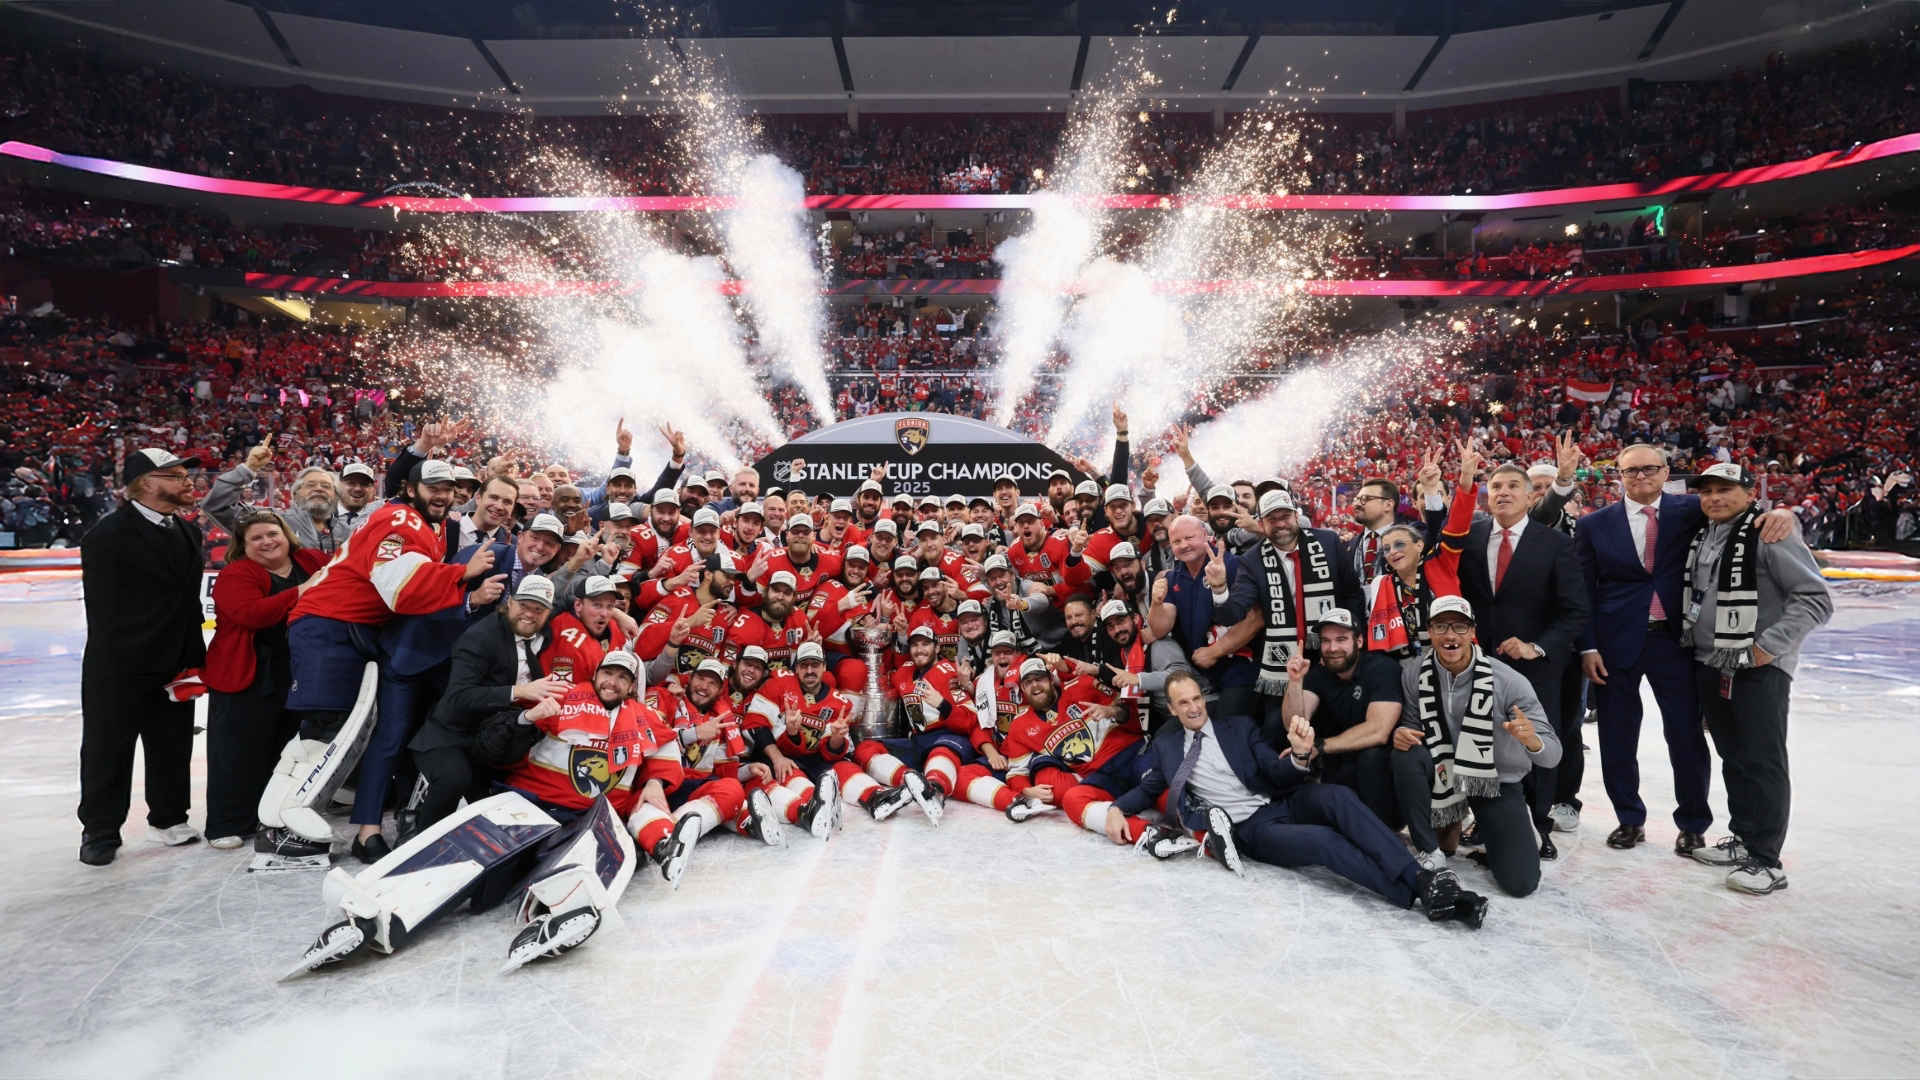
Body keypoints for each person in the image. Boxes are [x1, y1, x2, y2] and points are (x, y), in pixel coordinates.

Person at [1107, 671, 1483, 927]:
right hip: (1252, 829)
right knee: (1325, 842)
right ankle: (1427, 890)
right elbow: (1151, 787)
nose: (1193, 708)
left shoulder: (1237, 726)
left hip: (1281, 800)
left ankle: (1420, 880)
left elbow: (1274, 770)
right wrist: (1114, 807)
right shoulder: (1169, 746)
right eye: (1183, 703)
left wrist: (1301, 756)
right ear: (1171, 709)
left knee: (1337, 796)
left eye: (1196, 698)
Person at [1575, 444, 1795, 855]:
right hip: (1614, 643)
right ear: (1618, 476)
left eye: (1650, 469)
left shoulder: (1692, 509)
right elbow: (1584, 592)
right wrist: (1587, 646)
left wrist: (1783, 512)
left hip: (1676, 641)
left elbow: (1744, 509)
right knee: (1617, 736)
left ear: (1665, 472)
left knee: (1686, 735)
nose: (1641, 477)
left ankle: (1692, 822)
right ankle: (1629, 817)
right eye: (1631, 471)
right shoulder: (1593, 525)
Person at [285, 458, 499, 862]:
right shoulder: (403, 520)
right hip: (338, 627)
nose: (441, 494)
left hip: (358, 631)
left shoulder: (428, 525)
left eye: (448, 488)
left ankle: (363, 828)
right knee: (326, 733)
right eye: (431, 486)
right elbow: (399, 590)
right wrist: (462, 577)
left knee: (355, 734)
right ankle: (283, 827)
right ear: (410, 487)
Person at [1681, 463, 1833, 895]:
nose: (1714, 498)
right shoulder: (1705, 534)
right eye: (1707, 491)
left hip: (1760, 666)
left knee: (1763, 760)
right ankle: (1744, 839)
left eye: (1725, 489)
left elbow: (1814, 600)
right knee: (1734, 755)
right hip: (1712, 661)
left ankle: (1767, 859)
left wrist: (1770, 646)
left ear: (1751, 493)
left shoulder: (1770, 531)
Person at [77, 448, 208, 866]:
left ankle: (169, 817)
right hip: (121, 665)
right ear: (146, 483)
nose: (188, 482)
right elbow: (105, 611)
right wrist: (135, 657)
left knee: (172, 744)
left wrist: (193, 658)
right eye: (175, 476)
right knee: (107, 750)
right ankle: (100, 830)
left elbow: (186, 603)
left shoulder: (189, 532)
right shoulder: (106, 535)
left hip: (176, 661)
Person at [1452, 459, 1589, 857]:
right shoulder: (1471, 537)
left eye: (1514, 486)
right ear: (1487, 496)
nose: (1504, 493)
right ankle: (1487, 818)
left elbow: (1575, 611)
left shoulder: (1556, 543)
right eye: (1496, 487)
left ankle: (1539, 824)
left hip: (1537, 667)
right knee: (1482, 739)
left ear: (1532, 497)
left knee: (1535, 745)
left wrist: (1537, 646)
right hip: (1478, 663)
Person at [1392, 597, 1560, 898]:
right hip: (1443, 773)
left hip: (1494, 780)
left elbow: (1552, 755)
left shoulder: (1510, 682)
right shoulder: (1413, 673)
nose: (1450, 635)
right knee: (1406, 755)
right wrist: (1402, 732)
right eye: (1441, 626)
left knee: (1521, 883)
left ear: (1472, 632)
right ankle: (1431, 851)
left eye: (1460, 626)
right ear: (1430, 632)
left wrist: (1532, 741)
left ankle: (1510, 827)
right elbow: (1411, 727)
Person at [201, 512, 331, 848]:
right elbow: (250, 614)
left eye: (273, 533)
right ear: (243, 547)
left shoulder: (310, 559)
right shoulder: (237, 573)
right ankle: (226, 824)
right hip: (248, 669)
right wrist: (304, 591)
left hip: (298, 667)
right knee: (237, 750)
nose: (267, 542)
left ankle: (274, 817)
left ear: (287, 535)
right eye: (256, 538)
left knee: (287, 749)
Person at [404, 576, 569, 836]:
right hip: (450, 734)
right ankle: (420, 843)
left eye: (539, 609)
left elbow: (574, 601)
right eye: (524, 605)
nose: (530, 614)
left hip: (493, 739)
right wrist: (520, 691)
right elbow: (458, 696)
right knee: (454, 778)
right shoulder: (480, 638)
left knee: (496, 803)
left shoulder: (543, 629)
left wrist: (618, 614)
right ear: (510, 601)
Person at [1275, 610, 1403, 825]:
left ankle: (1381, 834)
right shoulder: (1318, 674)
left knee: (1372, 756)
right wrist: (1295, 682)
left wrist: (1319, 746)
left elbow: (1379, 731)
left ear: (1359, 640)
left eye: (1341, 639)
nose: (1333, 648)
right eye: (1326, 641)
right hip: (1342, 767)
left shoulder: (1383, 669)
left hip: (1384, 776)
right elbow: (1293, 725)